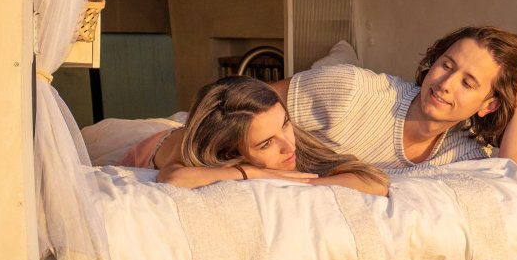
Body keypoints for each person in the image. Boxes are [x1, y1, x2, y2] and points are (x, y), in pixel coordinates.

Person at [270, 25, 517, 172]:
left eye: (467, 83)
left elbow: (512, 184)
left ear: (489, 105)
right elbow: (243, 101)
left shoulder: (464, 152)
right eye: (447, 66)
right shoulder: (350, 90)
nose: (445, 84)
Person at [136, 76, 389, 195]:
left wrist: (304, 183)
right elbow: (174, 179)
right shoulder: (200, 154)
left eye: (285, 123)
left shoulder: (280, 133)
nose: (289, 146)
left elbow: (375, 182)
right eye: (267, 143)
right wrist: (257, 174)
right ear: (229, 154)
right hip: (148, 143)